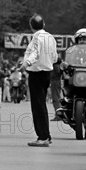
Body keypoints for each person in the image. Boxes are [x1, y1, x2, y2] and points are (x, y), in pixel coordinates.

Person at [20, 14, 58, 147]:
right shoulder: (50, 37)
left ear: (31, 26)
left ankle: (42, 137)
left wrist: (26, 63)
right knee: (42, 105)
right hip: (47, 73)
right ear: (44, 24)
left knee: (38, 106)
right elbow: (55, 56)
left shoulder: (37, 37)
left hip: (36, 73)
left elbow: (35, 52)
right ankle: (46, 134)